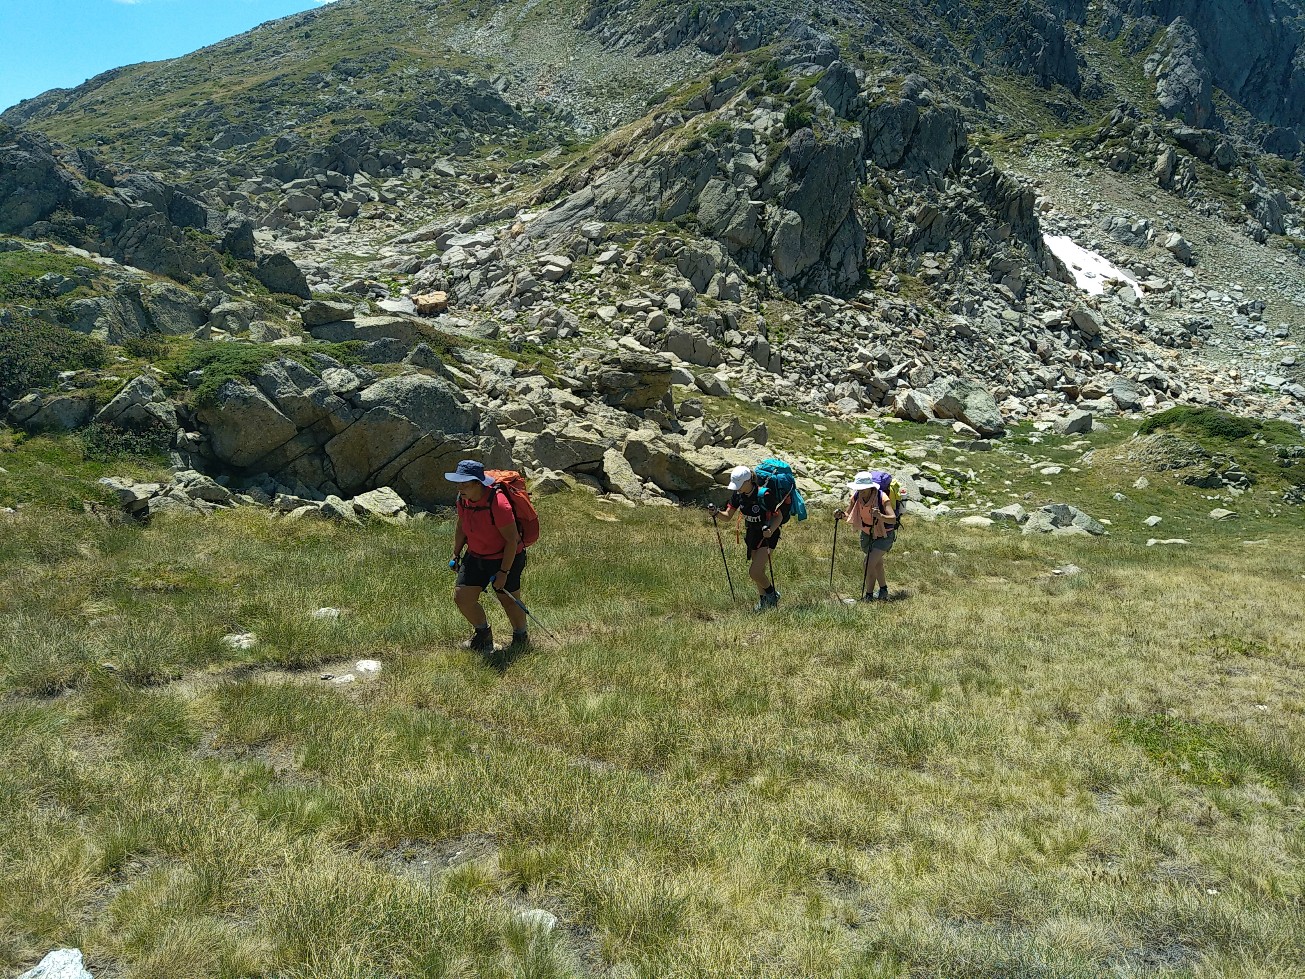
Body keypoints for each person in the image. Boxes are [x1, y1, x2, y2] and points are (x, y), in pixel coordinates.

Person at [445, 459, 528, 653]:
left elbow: (511, 541)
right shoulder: (463, 500)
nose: (460, 487)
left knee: (508, 600)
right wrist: (456, 553)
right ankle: (483, 636)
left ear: (478, 483)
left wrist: (503, 572)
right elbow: (461, 526)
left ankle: (521, 637)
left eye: (465, 483)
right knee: (462, 597)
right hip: (476, 555)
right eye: (458, 483)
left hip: (505, 557)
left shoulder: (499, 504)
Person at [709, 465, 784, 611]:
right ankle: (764, 601)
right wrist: (716, 513)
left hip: (768, 536)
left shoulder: (764, 494)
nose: (736, 488)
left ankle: (772, 594)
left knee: (754, 572)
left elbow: (779, 516)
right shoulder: (738, 495)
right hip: (752, 536)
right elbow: (727, 516)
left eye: (738, 484)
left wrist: (770, 530)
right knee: (759, 572)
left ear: (748, 481)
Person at [836, 471, 897, 602]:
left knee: (868, 563)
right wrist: (840, 515)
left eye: (863, 489)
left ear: (870, 487)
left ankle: (869, 596)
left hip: (884, 535)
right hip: (867, 534)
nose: (860, 491)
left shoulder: (882, 497)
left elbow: (893, 519)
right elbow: (848, 515)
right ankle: (883, 591)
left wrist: (880, 516)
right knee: (876, 564)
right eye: (858, 489)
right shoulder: (856, 496)